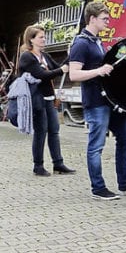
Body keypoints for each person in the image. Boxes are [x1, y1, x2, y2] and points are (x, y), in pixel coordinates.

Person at [69, 1, 126, 200]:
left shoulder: (97, 41)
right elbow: (73, 75)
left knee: (125, 139)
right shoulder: (81, 43)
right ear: (92, 19)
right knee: (96, 145)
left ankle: (125, 183)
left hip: (112, 101)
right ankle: (98, 188)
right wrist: (99, 70)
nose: (108, 21)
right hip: (96, 101)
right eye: (104, 18)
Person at [16, 25, 76, 176]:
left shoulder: (45, 56)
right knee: (41, 132)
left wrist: (72, 52)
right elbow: (41, 74)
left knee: (54, 131)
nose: (44, 39)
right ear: (31, 39)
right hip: (37, 100)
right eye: (41, 37)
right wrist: (61, 70)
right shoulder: (27, 57)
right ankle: (38, 166)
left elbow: (60, 68)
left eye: (44, 36)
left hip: (49, 99)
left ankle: (58, 164)